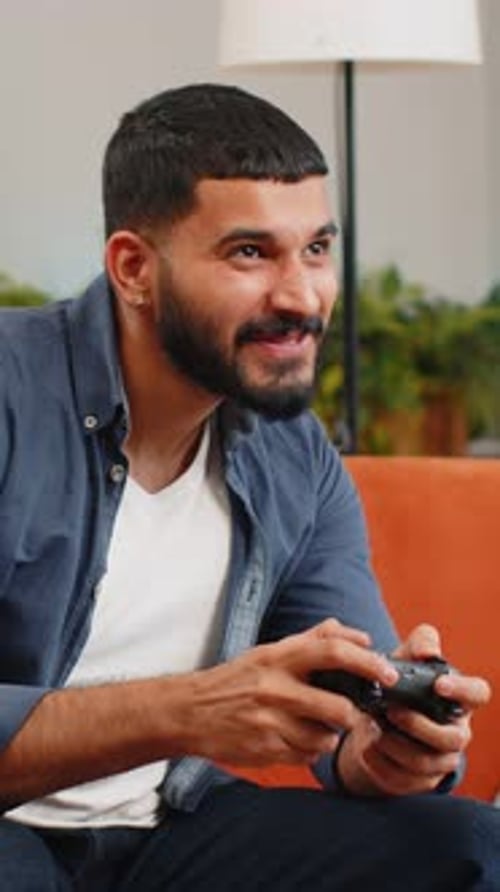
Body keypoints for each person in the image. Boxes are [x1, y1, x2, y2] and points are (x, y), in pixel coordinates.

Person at [0, 82, 498, 891]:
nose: (301, 297)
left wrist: (389, 748)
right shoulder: (12, 391)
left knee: (475, 846)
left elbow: (348, 735)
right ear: (133, 267)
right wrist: (186, 710)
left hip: (168, 833)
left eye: (317, 249)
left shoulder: (294, 456)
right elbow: (203, 710)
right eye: (249, 253)